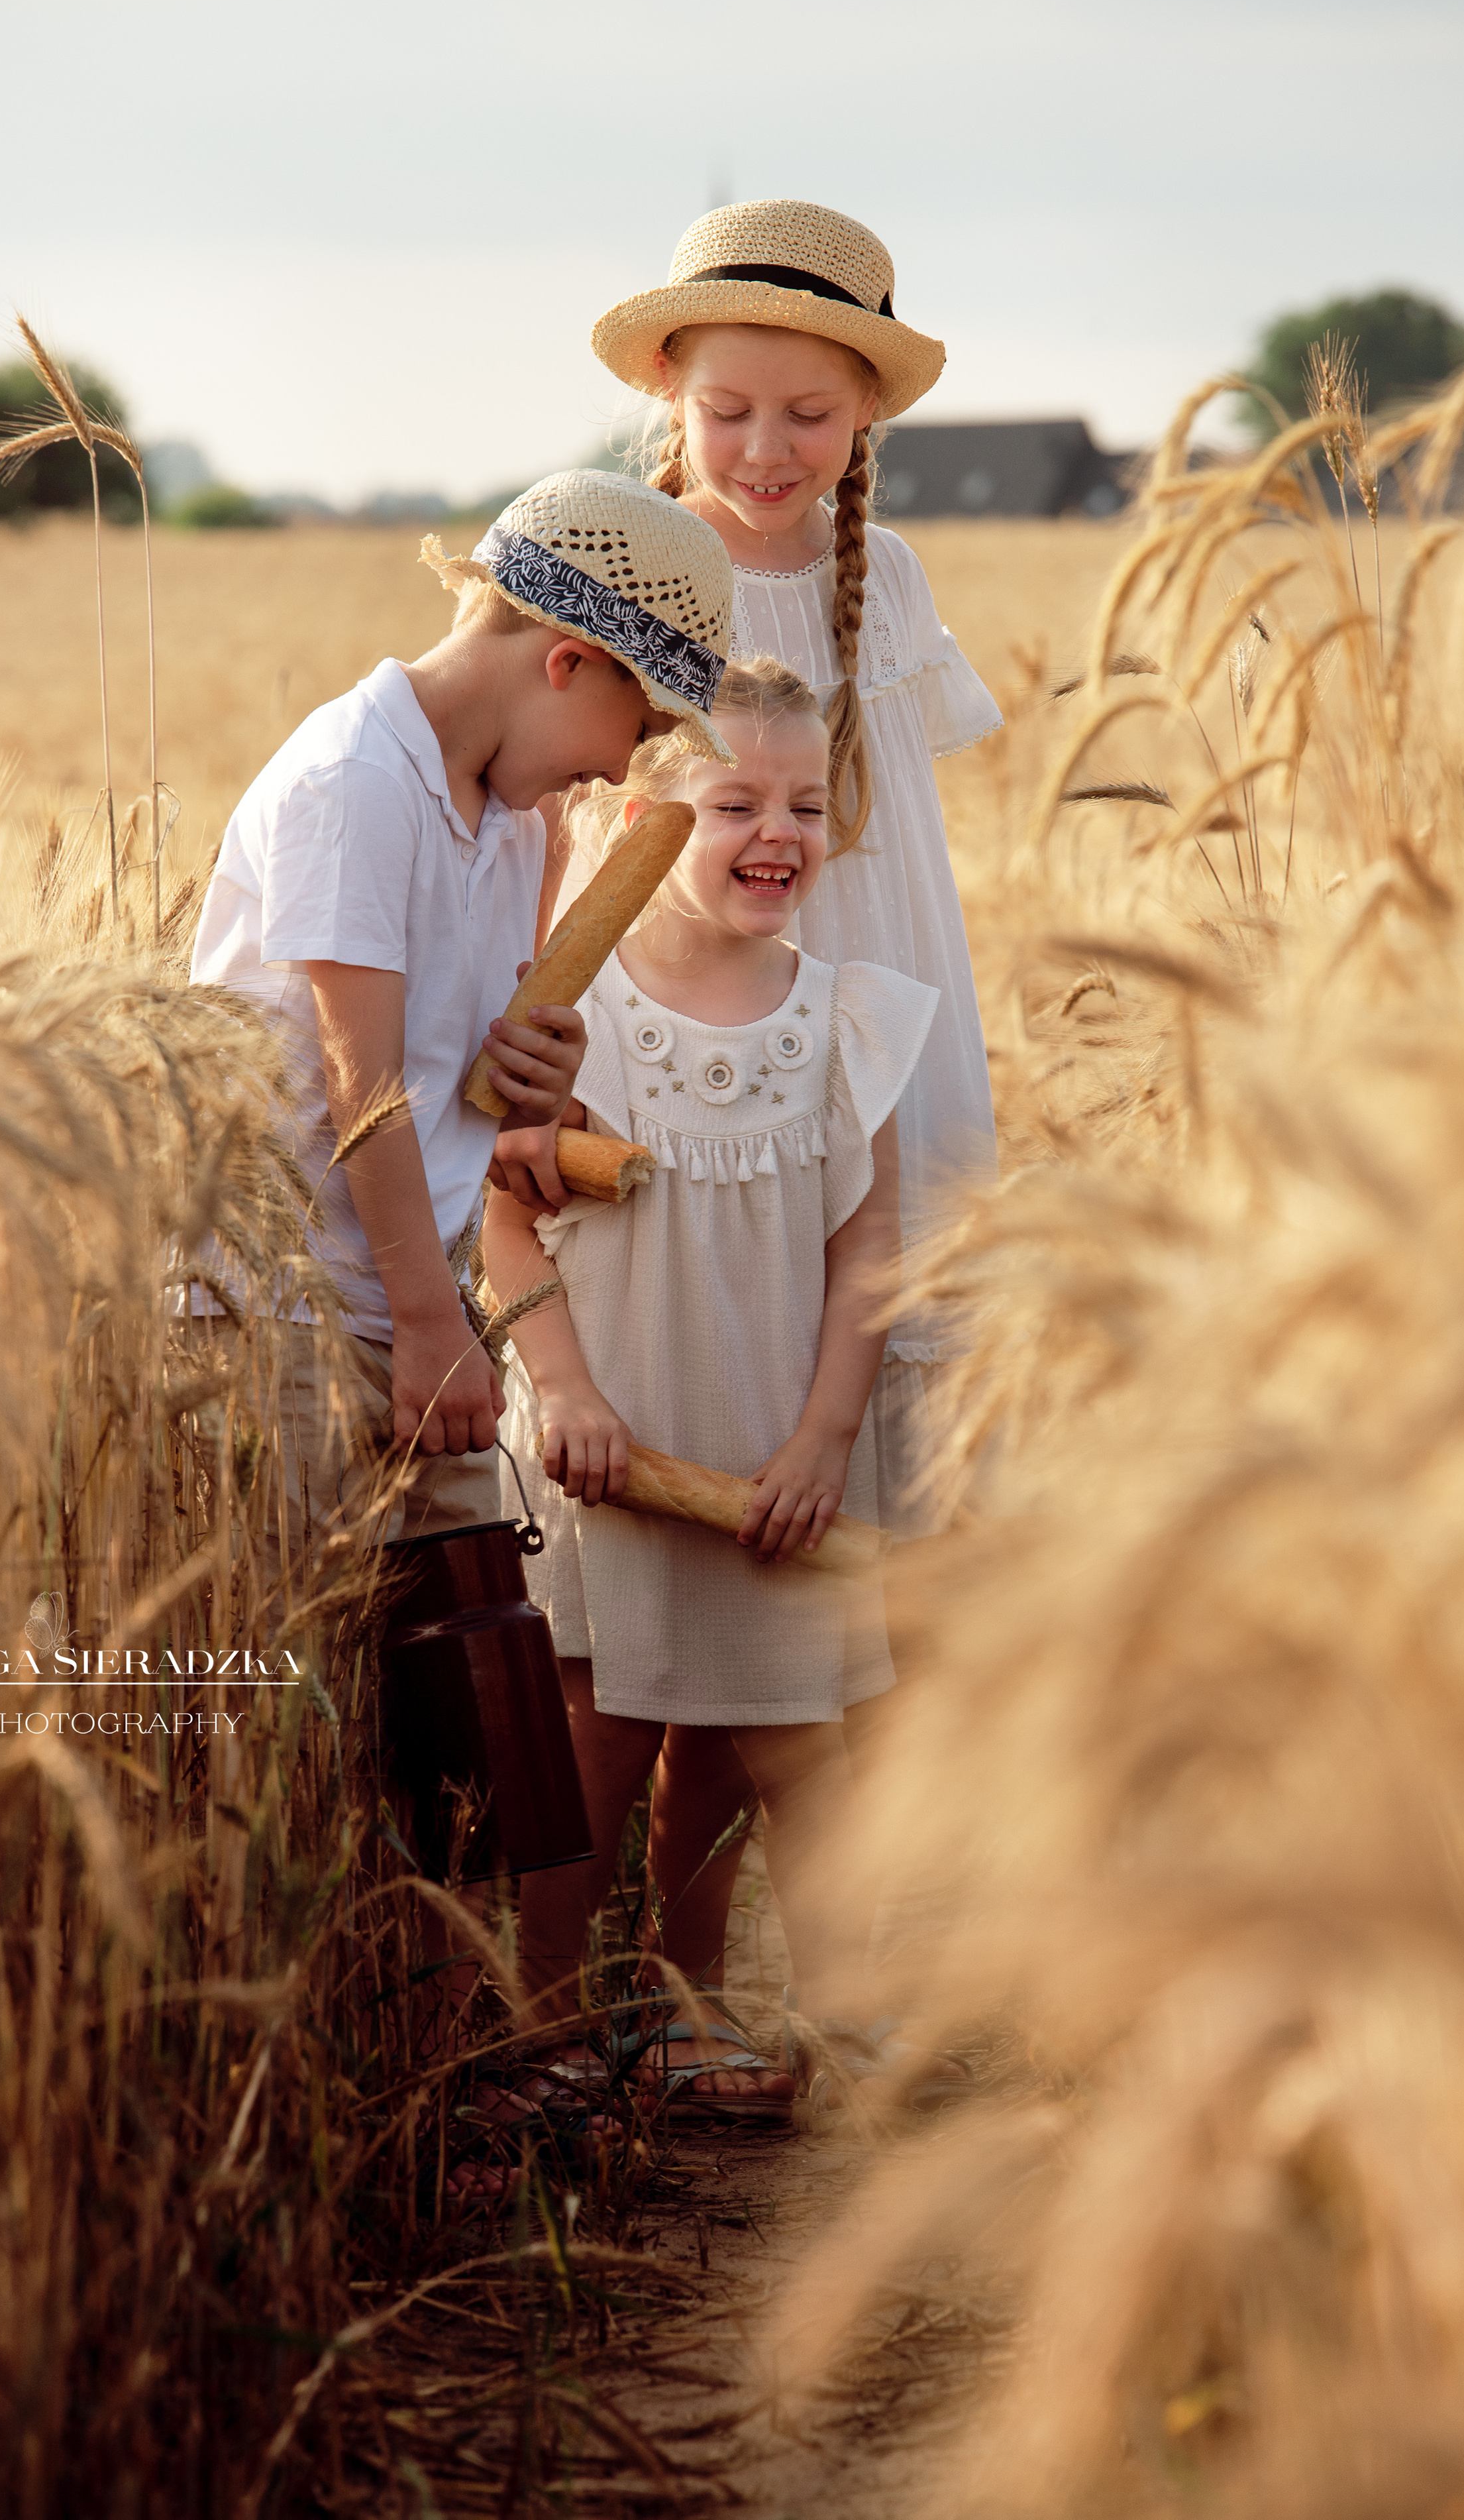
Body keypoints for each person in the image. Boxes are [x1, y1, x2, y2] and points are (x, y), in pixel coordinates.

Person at [584, 199, 1005, 2068]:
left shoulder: (881, 580)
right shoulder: (631, 560)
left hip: (872, 1037)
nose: (766, 451)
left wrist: (906, 1064)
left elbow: (895, 850)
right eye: (730, 409)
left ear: (865, 426)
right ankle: (671, 1983)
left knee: (868, 1554)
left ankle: (855, 1963)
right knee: (700, 1541)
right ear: (670, 397)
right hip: (687, 1066)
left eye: (810, 417)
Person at [484, 657, 935, 2119]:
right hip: (612, 1441)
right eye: (735, 802)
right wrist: (564, 1392)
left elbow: (866, 1249)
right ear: (640, 821)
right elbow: (504, 1222)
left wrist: (824, 1438)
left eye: (803, 804)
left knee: (792, 1746)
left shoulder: (846, 1021)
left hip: (770, 1448)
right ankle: (543, 2032)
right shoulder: (572, 1018)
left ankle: (791, 2017)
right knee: (596, 1738)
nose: (778, 832)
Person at [186, 468, 738, 1609]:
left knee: (455, 1662)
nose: (620, 767)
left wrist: (536, 1079)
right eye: (640, 724)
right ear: (567, 661)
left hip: (418, 1305)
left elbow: (469, 1084)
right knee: (292, 1657)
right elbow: (364, 1086)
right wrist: (433, 1323)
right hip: (285, 1317)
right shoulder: (355, 781)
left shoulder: (524, 821)